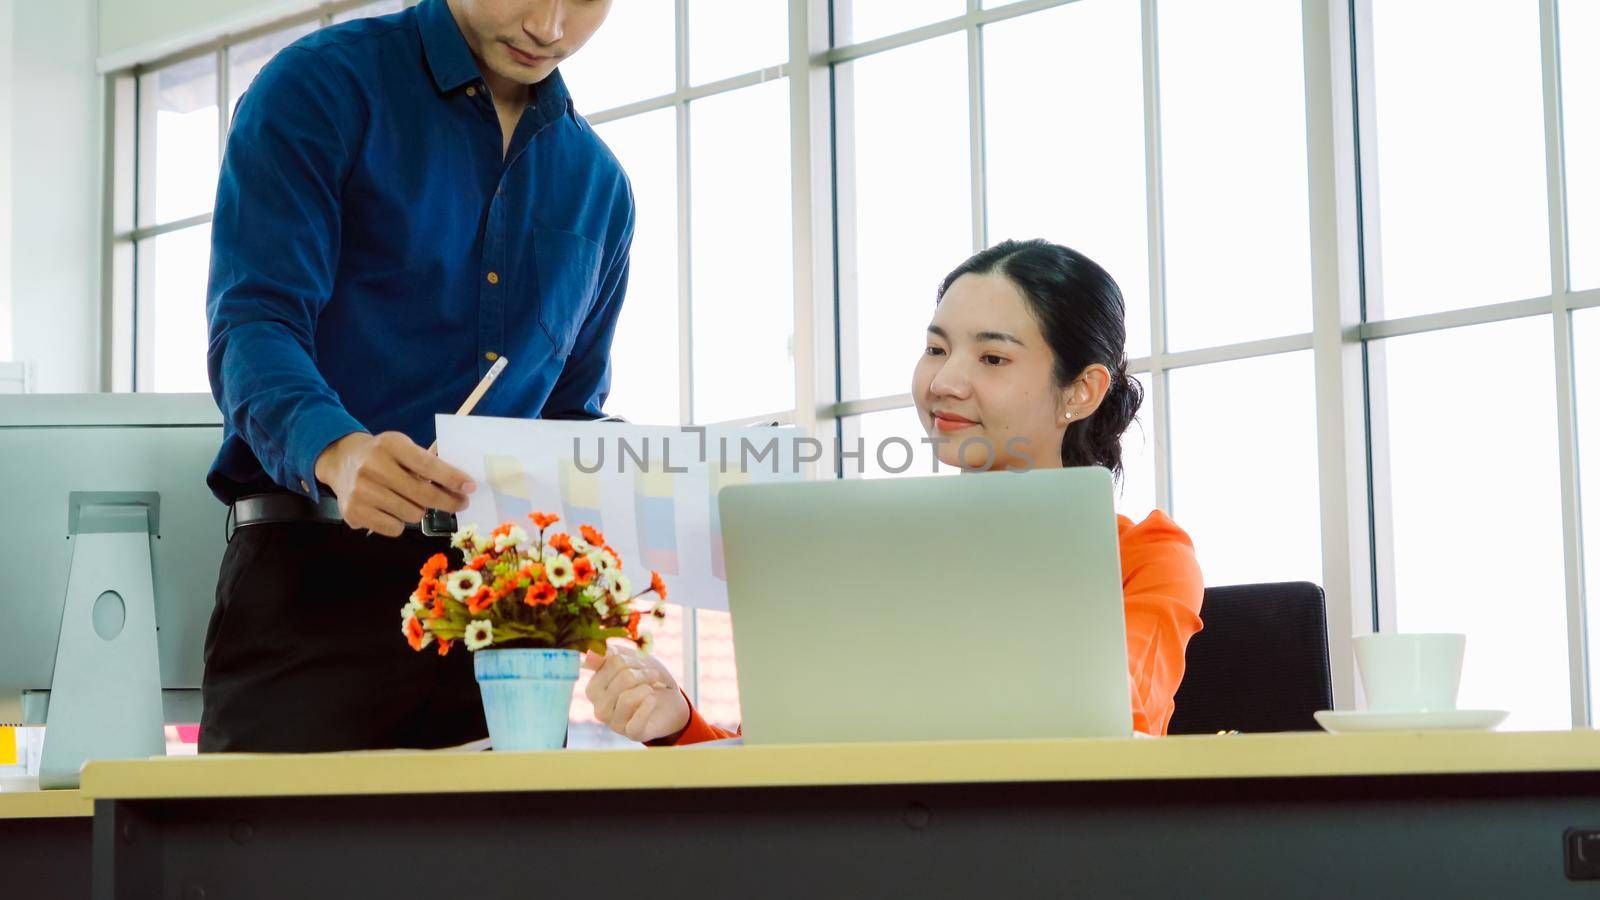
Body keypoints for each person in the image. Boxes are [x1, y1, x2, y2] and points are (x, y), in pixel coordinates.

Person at [201, 0, 631, 752]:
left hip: (503, 629)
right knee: (280, 869)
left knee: (506, 870)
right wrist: (339, 452)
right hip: (310, 597)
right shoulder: (318, 88)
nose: (551, 26)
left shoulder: (599, 187)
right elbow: (254, 324)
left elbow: (570, 417)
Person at [583, 239, 1205, 743]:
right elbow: (782, 768)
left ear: (1081, 391)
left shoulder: (1147, 555)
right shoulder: (862, 552)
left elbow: (1119, 725)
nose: (946, 381)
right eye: (936, 348)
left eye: (993, 358)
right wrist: (677, 723)